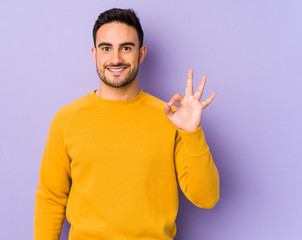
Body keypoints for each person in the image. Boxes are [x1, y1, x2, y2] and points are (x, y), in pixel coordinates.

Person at [34, 8, 219, 240]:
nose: (116, 58)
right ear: (94, 54)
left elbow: (207, 197)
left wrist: (192, 132)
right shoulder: (67, 119)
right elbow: (50, 198)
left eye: (126, 47)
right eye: (106, 48)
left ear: (141, 54)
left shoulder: (171, 117)